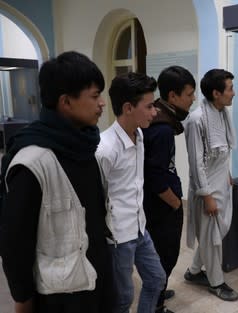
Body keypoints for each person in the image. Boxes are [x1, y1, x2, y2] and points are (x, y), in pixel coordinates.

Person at [0, 51, 114, 313]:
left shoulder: (86, 148)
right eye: (95, 96)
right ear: (66, 102)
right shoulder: (32, 162)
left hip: (96, 279)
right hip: (61, 297)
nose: (102, 104)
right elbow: (15, 243)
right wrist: (23, 300)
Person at [96, 72, 166, 313]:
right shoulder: (105, 148)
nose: (154, 112)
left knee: (157, 279)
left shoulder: (140, 135)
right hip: (117, 236)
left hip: (139, 226)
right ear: (128, 107)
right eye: (149, 107)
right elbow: (96, 198)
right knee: (122, 298)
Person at [142, 66, 196, 313]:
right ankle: (157, 304)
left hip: (155, 205)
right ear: (173, 97)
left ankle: (158, 291)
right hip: (162, 207)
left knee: (160, 255)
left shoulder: (159, 119)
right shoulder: (162, 129)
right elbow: (156, 176)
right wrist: (175, 203)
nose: (193, 99)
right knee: (166, 255)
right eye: (189, 94)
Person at [183, 69, 238, 301]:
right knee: (212, 238)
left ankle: (194, 271)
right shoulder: (196, 120)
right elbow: (196, 162)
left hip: (221, 183)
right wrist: (206, 195)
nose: (233, 93)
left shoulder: (223, 113)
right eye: (230, 89)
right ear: (216, 93)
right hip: (206, 188)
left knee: (216, 232)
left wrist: (227, 174)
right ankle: (216, 282)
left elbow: (222, 150)